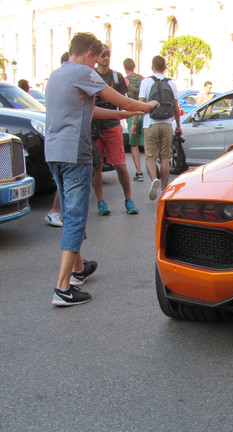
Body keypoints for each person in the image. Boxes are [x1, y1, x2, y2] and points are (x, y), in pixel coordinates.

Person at [46, 32, 157, 307]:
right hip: (75, 154)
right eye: (96, 60)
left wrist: (123, 115)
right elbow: (125, 99)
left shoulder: (57, 76)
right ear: (88, 55)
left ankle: (77, 269)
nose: (96, 66)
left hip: (54, 153)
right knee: (75, 218)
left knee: (71, 213)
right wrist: (147, 107)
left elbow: (91, 111)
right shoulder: (84, 73)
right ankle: (62, 289)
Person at [91, 44, 139, 216]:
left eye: (108, 55)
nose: (106, 58)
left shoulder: (117, 77)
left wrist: (132, 115)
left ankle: (129, 200)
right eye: (103, 55)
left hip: (112, 125)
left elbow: (123, 101)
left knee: (120, 165)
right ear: (96, 56)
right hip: (95, 127)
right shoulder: (89, 75)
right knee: (97, 166)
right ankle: (101, 202)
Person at [133, 55, 182, 200]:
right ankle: (163, 189)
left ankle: (154, 179)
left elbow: (141, 102)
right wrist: (178, 125)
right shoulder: (171, 84)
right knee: (165, 158)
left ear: (152, 67)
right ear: (164, 67)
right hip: (167, 124)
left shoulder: (146, 82)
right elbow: (176, 108)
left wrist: (134, 122)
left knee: (150, 157)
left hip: (151, 124)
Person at [45, 51, 71, 227]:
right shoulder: (61, 80)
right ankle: (55, 211)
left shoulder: (55, 78)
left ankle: (59, 211)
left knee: (64, 182)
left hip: (59, 143)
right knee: (64, 181)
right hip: (63, 143)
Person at [123, 57, 145, 182]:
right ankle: (153, 167)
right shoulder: (142, 79)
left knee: (134, 144)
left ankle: (139, 172)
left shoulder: (125, 80)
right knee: (146, 144)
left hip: (132, 113)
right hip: (143, 112)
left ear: (125, 68)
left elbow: (123, 97)